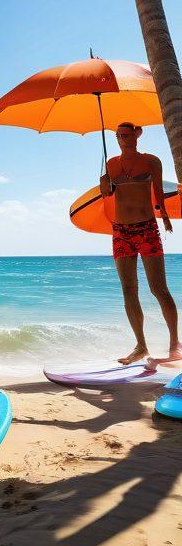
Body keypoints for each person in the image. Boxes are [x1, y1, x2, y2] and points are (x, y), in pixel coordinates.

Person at [100, 122, 181, 366]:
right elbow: (107, 195)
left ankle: (175, 343)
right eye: (120, 135)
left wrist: (164, 216)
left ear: (137, 135)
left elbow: (158, 191)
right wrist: (105, 184)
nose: (124, 138)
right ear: (116, 138)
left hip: (146, 228)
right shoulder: (111, 164)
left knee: (159, 288)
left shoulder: (151, 161)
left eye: (128, 134)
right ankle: (140, 345)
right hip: (121, 231)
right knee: (128, 288)